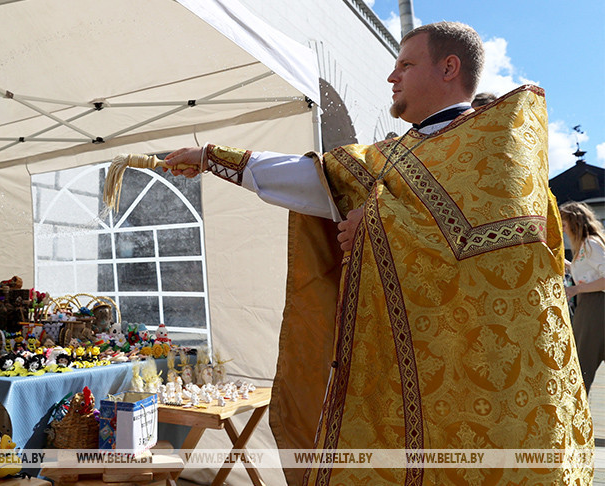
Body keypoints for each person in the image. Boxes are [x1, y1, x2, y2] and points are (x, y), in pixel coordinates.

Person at [163, 22, 592, 485]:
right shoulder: (391, 155)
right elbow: (316, 179)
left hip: (501, 375)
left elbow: (503, 262)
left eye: (406, 64)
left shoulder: (498, 144)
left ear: (450, 68)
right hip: (413, 375)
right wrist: (211, 157)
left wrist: (370, 226)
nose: (392, 77)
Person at [560, 201, 605, 393]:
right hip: (589, 306)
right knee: (581, 363)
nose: (562, 229)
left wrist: (576, 290)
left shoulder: (590, 244)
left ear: (574, 222)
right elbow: (588, 272)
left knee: (581, 365)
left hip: (595, 307)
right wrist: (568, 265)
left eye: (563, 224)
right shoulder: (585, 247)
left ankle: (576, 415)